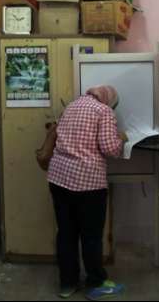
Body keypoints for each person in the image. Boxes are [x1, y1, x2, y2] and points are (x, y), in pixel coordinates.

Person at [47, 85, 127, 300]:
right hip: (87, 183)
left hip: (58, 177)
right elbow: (110, 149)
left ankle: (67, 284)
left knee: (66, 233)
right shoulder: (104, 111)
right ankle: (96, 283)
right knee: (91, 236)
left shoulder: (71, 107)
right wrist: (122, 139)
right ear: (108, 100)